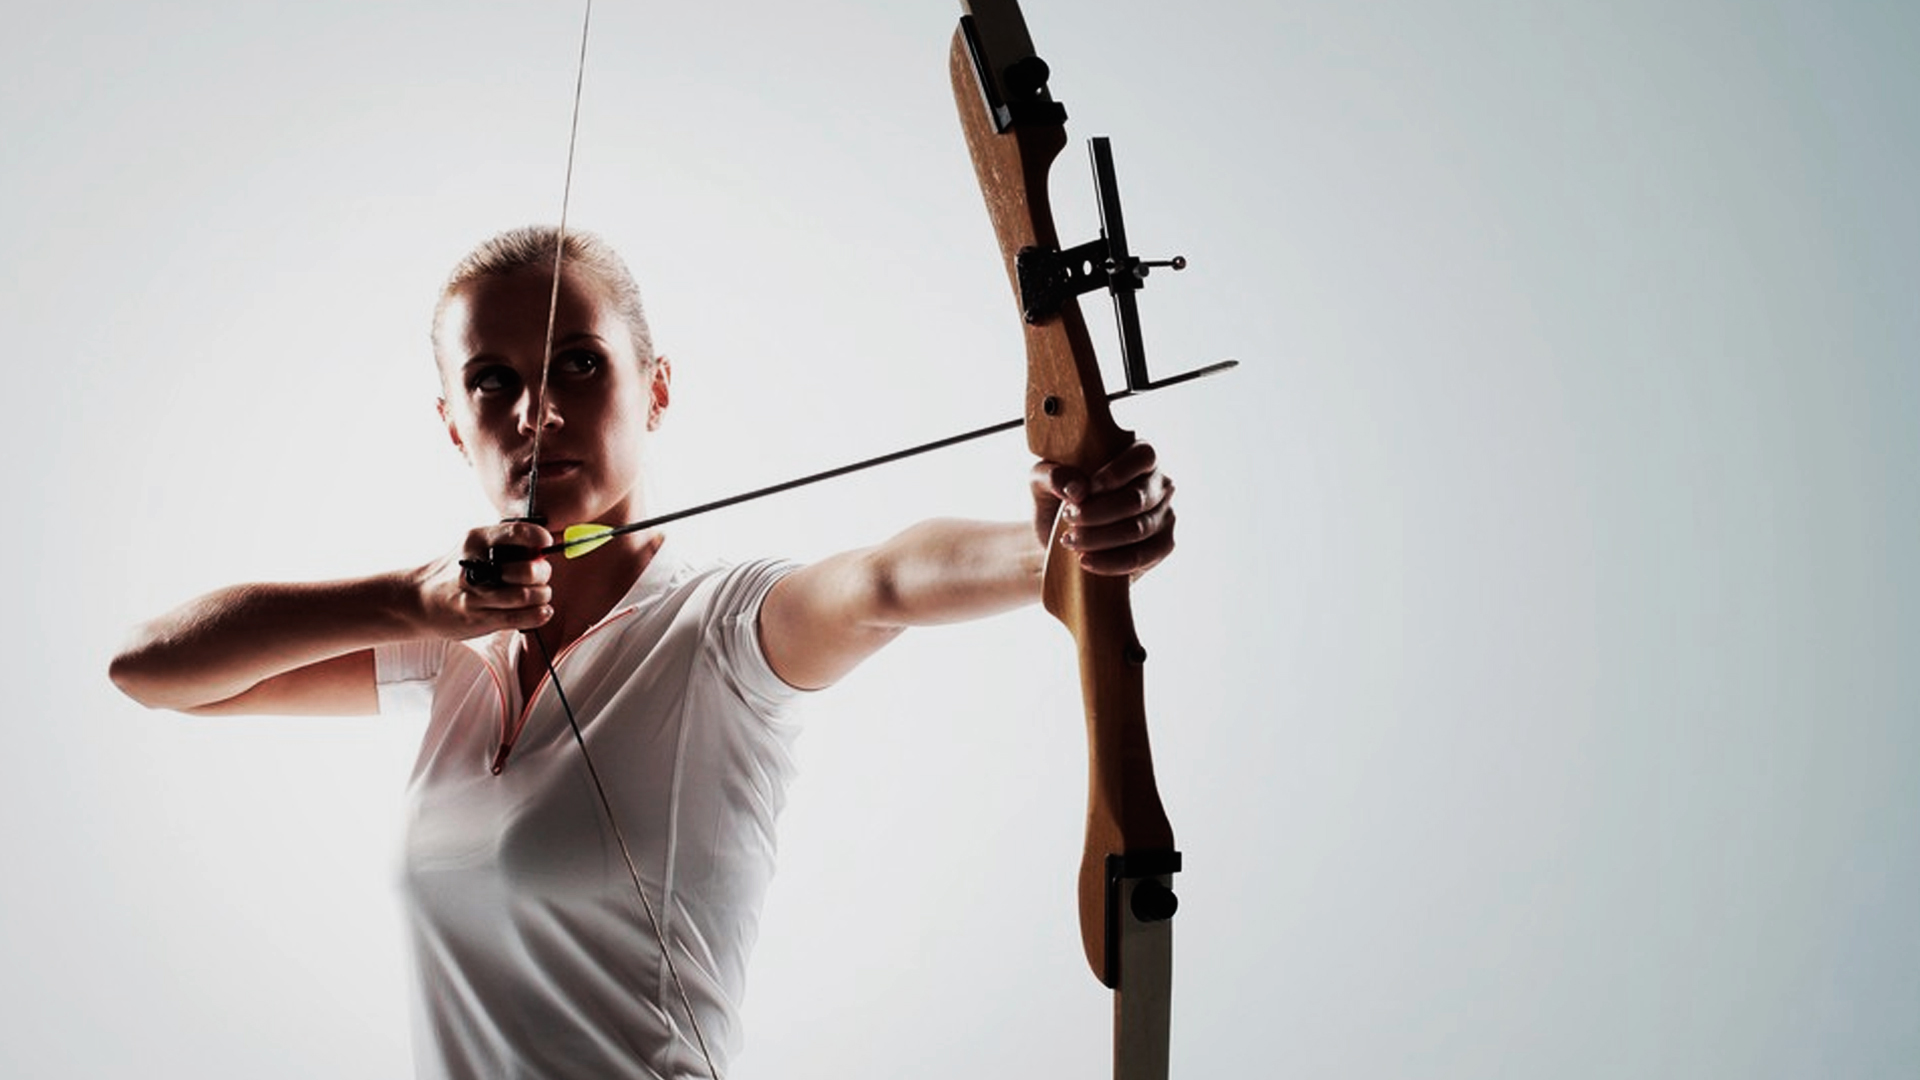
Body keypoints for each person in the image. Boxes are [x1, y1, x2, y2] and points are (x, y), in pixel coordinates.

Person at [109, 225, 1177, 1079]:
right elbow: (152, 671)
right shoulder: (443, 657)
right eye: (491, 382)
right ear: (450, 422)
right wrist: (411, 600)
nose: (538, 412)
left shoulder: (719, 630)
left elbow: (885, 582)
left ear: (657, 385)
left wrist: (1055, 542)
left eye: (581, 363)